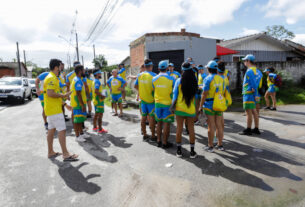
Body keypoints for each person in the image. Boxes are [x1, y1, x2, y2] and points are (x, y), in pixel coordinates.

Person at [43, 59, 78, 161]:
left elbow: (53, 94)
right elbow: (50, 93)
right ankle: (66, 154)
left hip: (51, 109)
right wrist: (64, 95)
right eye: (60, 66)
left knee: (51, 130)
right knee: (61, 130)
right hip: (55, 110)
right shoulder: (52, 78)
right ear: (56, 67)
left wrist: (65, 104)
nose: (61, 67)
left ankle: (50, 152)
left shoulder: (51, 77)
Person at [171, 62, 198, 158]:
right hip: (190, 109)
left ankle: (179, 151)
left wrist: (172, 107)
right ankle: (192, 152)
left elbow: (175, 95)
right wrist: (197, 110)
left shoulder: (178, 81)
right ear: (191, 69)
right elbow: (196, 96)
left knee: (179, 129)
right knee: (191, 129)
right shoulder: (194, 80)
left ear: (182, 70)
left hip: (179, 108)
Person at [198, 60, 226, 152]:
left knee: (211, 126)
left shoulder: (208, 79)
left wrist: (200, 106)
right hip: (219, 104)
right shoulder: (222, 78)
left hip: (209, 105)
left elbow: (204, 94)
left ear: (208, 69)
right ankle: (220, 145)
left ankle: (210, 146)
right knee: (219, 125)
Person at [152, 60, 175, 148]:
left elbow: (154, 90)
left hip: (157, 103)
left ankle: (158, 141)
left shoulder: (154, 79)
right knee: (166, 124)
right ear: (167, 68)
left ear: (158, 68)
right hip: (168, 104)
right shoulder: (171, 79)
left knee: (159, 123)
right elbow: (173, 92)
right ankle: (165, 142)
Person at [134, 59, 157, 142]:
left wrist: (141, 91)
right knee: (151, 118)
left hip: (143, 100)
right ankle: (153, 136)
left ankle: (144, 135)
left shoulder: (140, 75)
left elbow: (135, 86)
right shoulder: (154, 75)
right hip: (151, 101)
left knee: (143, 118)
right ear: (151, 66)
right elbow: (156, 89)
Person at [239, 54, 260, 135]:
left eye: (245, 60)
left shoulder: (250, 70)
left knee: (248, 112)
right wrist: (256, 94)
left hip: (248, 94)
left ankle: (248, 129)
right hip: (253, 93)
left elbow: (254, 83)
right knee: (254, 111)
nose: (244, 62)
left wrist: (255, 95)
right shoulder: (257, 71)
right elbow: (257, 82)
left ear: (248, 61)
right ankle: (256, 128)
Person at [70, 65, 89, 142]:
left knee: (80, 120)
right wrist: (82, 105)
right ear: (80, 71)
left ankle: (81, 133)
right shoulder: (77, 80)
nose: (84, 71)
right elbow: (78, 94)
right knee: (77, 121)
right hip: (78, 104)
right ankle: (77, 136)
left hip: (79, 103)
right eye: (83, 70)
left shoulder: (78, 79)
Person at [92, 69, 108, 134]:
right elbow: (96, 91)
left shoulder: (94, 81)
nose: (100, 74)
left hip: (96, 100)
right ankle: (100, 129)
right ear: (97, 74)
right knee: (100, 115)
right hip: (99, 100)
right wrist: (103, 95)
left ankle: (95, 127)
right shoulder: (97, 81)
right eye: (99, 73)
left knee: (96, 114)